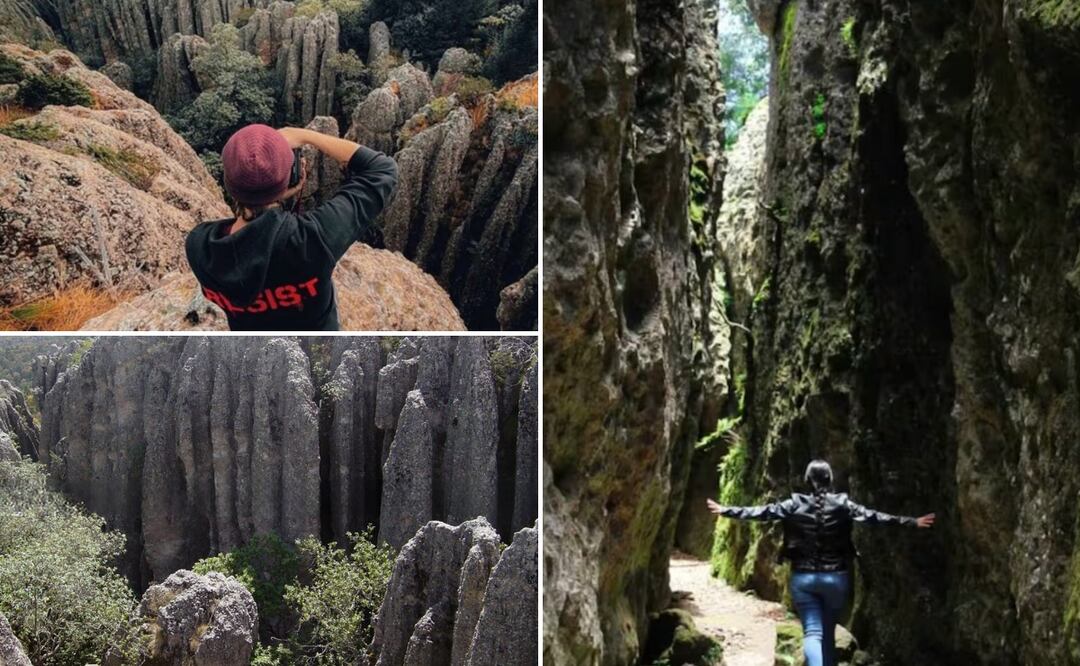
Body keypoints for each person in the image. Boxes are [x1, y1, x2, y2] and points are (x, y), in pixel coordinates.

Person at [707, 460, 935, 666]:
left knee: (813, 633)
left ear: (807, 481)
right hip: (836, 578)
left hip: (803, 579)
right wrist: (911, 521)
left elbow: (762, 512)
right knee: (828, 631)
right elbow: (873, 516)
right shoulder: (843, 504)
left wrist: (726, 510)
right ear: (830, 479)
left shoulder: (793, 504)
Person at [186, 124, 399, 331]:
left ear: (228, 184)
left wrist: (273, 192)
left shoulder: (199, 247)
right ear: (291, 179)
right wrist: (304, 135)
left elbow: (251, 241)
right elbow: (382, 169)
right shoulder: (314, 240)